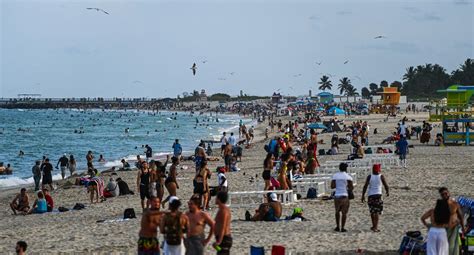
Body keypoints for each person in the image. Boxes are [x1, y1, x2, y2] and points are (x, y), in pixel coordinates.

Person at [361, 164, 390, 232]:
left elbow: (365, 186)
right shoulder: (381, 176)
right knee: (377, 211)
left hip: (371, 195)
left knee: (372, 211)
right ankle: (375, 227)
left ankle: (374, 225)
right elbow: (386, 185)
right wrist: (387, 192)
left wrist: (363, 195)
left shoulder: (369, 176)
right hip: (378, 195)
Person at [439, 187, 465, 255]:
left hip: (454, 229)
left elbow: (460, 216)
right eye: (442, 194)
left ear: (449, 193)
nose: (445, 195)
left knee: (455, 247)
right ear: (441, 196)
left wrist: (463, 228)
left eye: (446, 193)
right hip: (444, 229)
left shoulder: (454, 204)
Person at [331, 163, 353, 232]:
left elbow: (332, 186)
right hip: (344, 195)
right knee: (344, 213)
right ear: (346, 168)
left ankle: (337, 226)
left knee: (337, 212)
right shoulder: (348, 176)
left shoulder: (335, 176)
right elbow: (351, 187)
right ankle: (343, 227)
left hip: (337, 195)